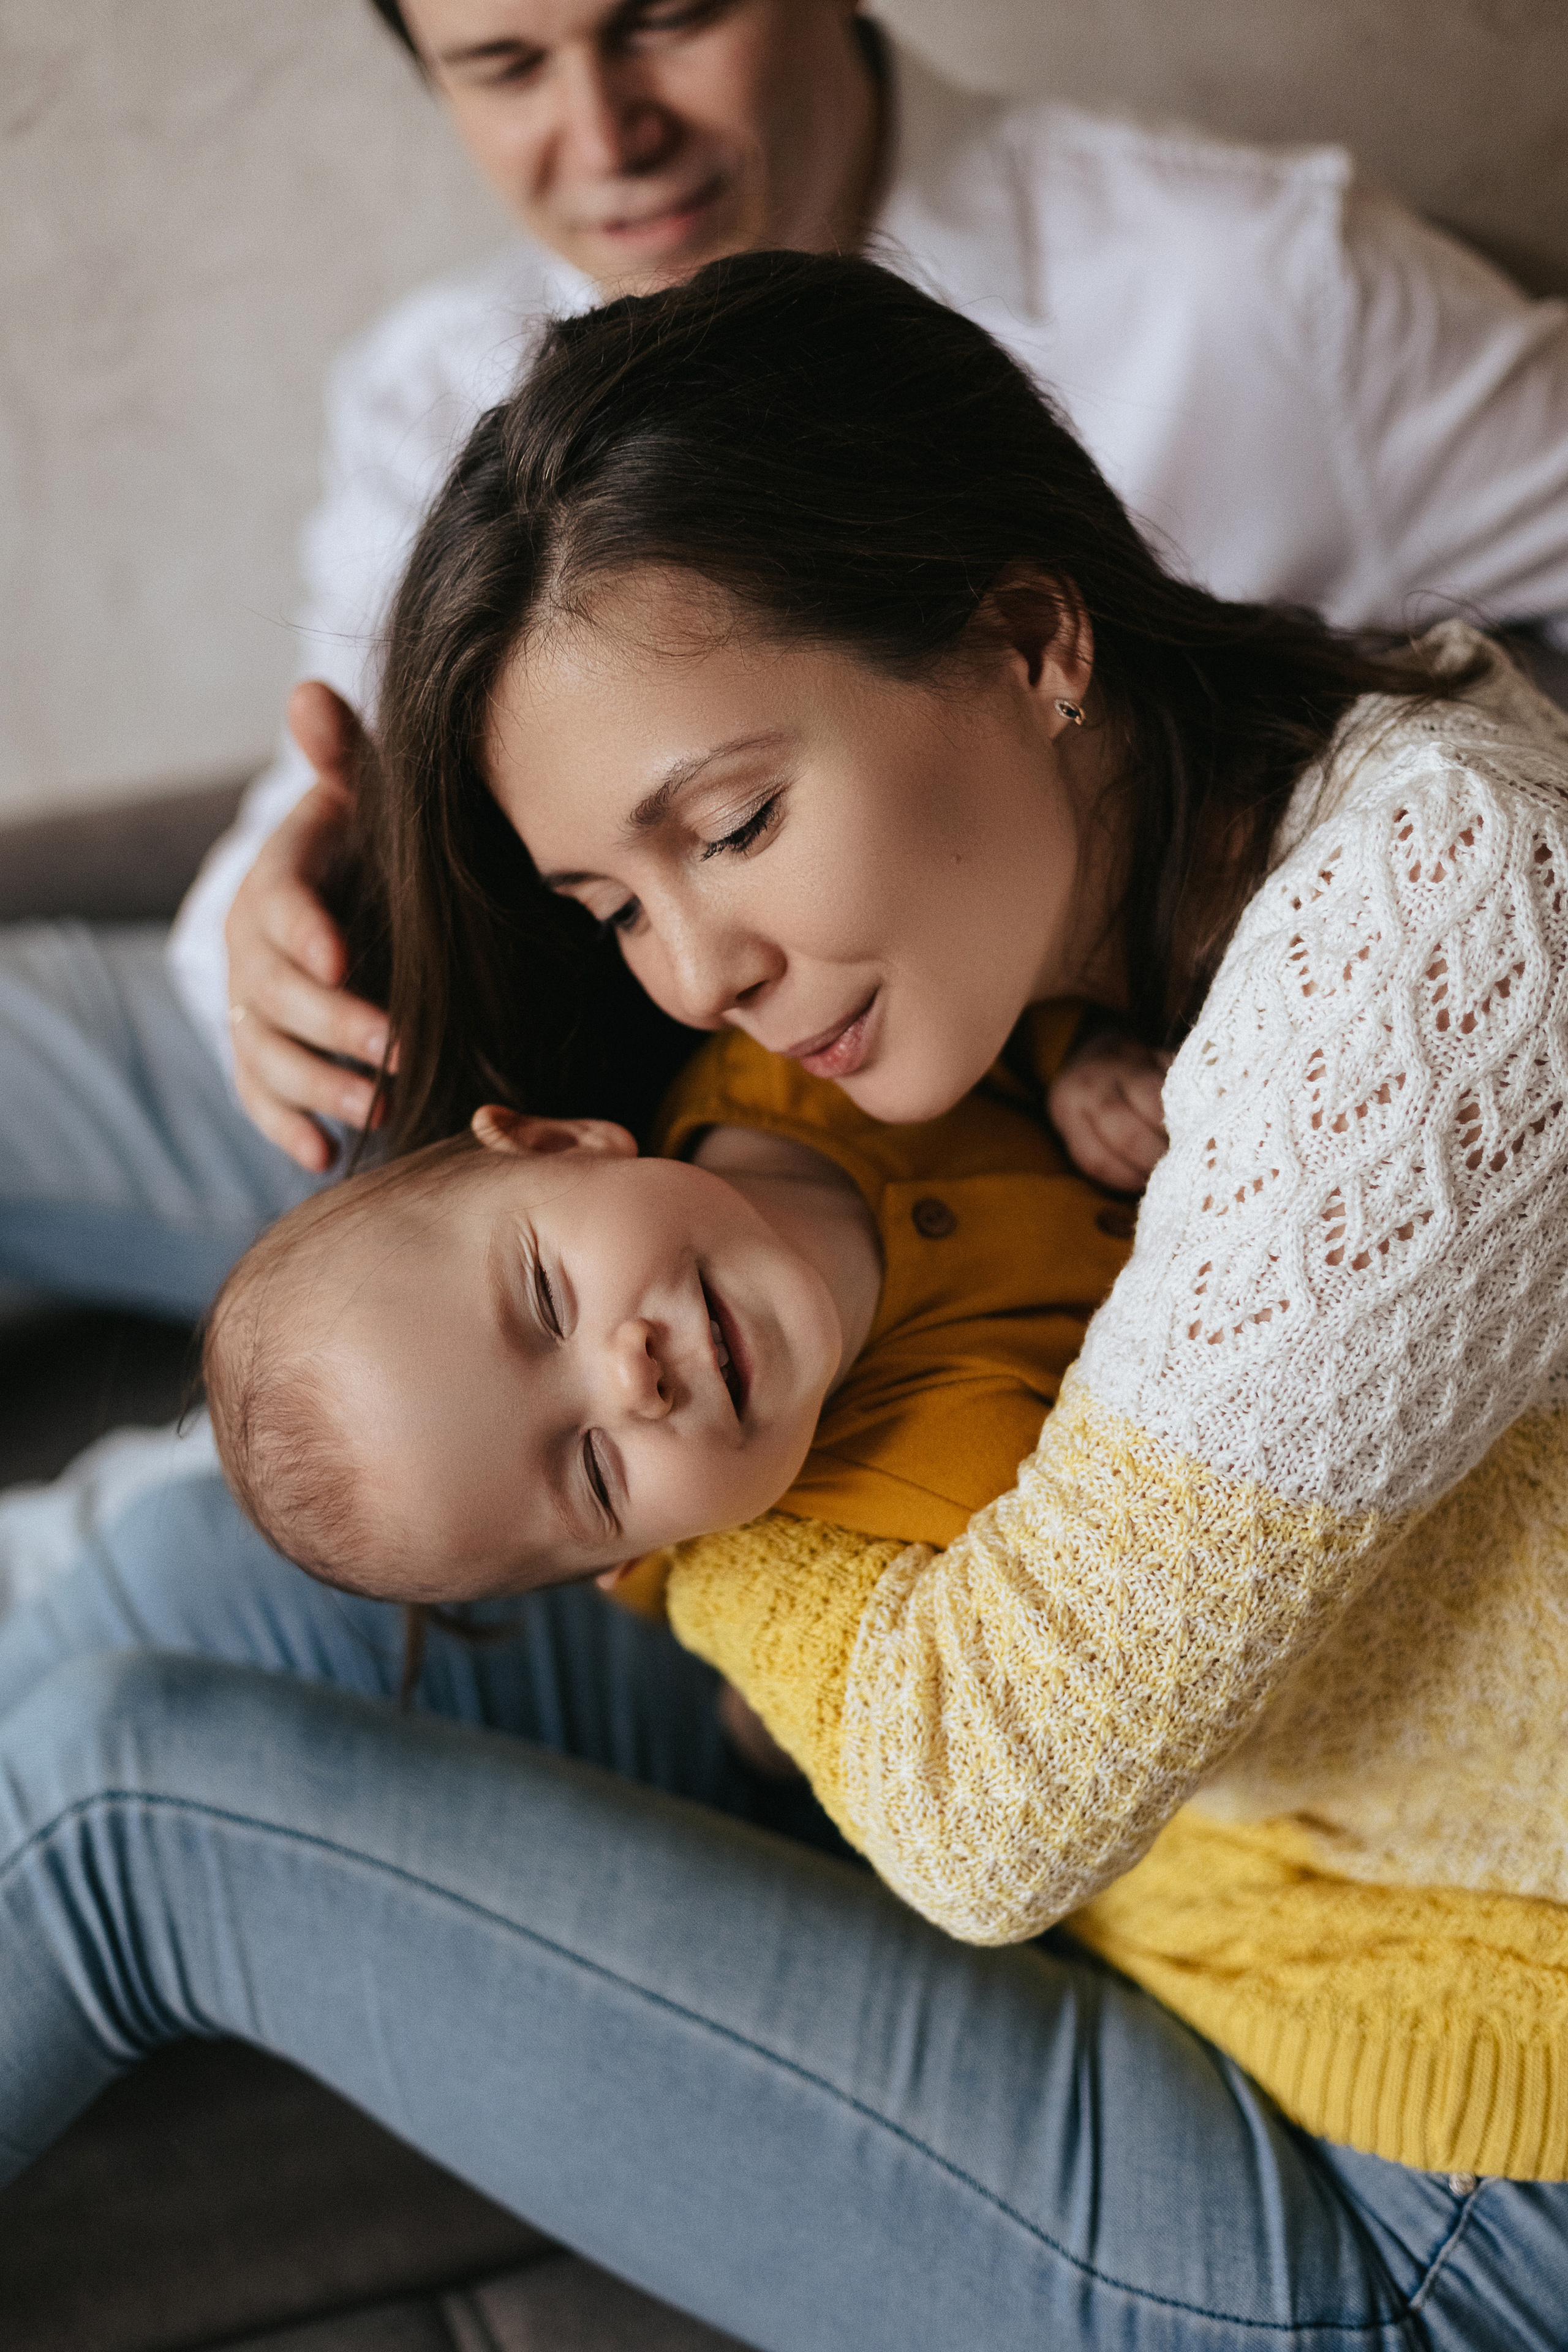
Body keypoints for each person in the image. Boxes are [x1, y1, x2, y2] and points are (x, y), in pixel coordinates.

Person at [6, 254, 1567, 2346]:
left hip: (1454, 2170)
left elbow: (982, 1801)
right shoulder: (1035, 951)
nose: (692, 969)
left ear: (1031, 635)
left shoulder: (1430, 929)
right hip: (1187, 1851)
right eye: (610, 905)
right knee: (219, 1570)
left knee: (116, 1795)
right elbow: (545, 1249)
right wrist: (381, 920)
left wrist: (658, 1532)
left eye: (734, 824)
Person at [4, 0, 1568, 1315]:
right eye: (503, 66)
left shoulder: (1244, 289)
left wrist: (1275, 949)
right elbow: (281, 865)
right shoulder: (433, 396)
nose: (609, 134)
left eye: (668, 17)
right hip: (472, 1114)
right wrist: (283, 939)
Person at [201, 1013, 1134, 1600]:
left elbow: (997, 983)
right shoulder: (944, 1509)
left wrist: (1082, 1056)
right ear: (640, 1558)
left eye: (546, 1299)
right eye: (599, 1475)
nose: (630, 1378)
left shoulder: (793, 1051)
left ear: (564, 1143)